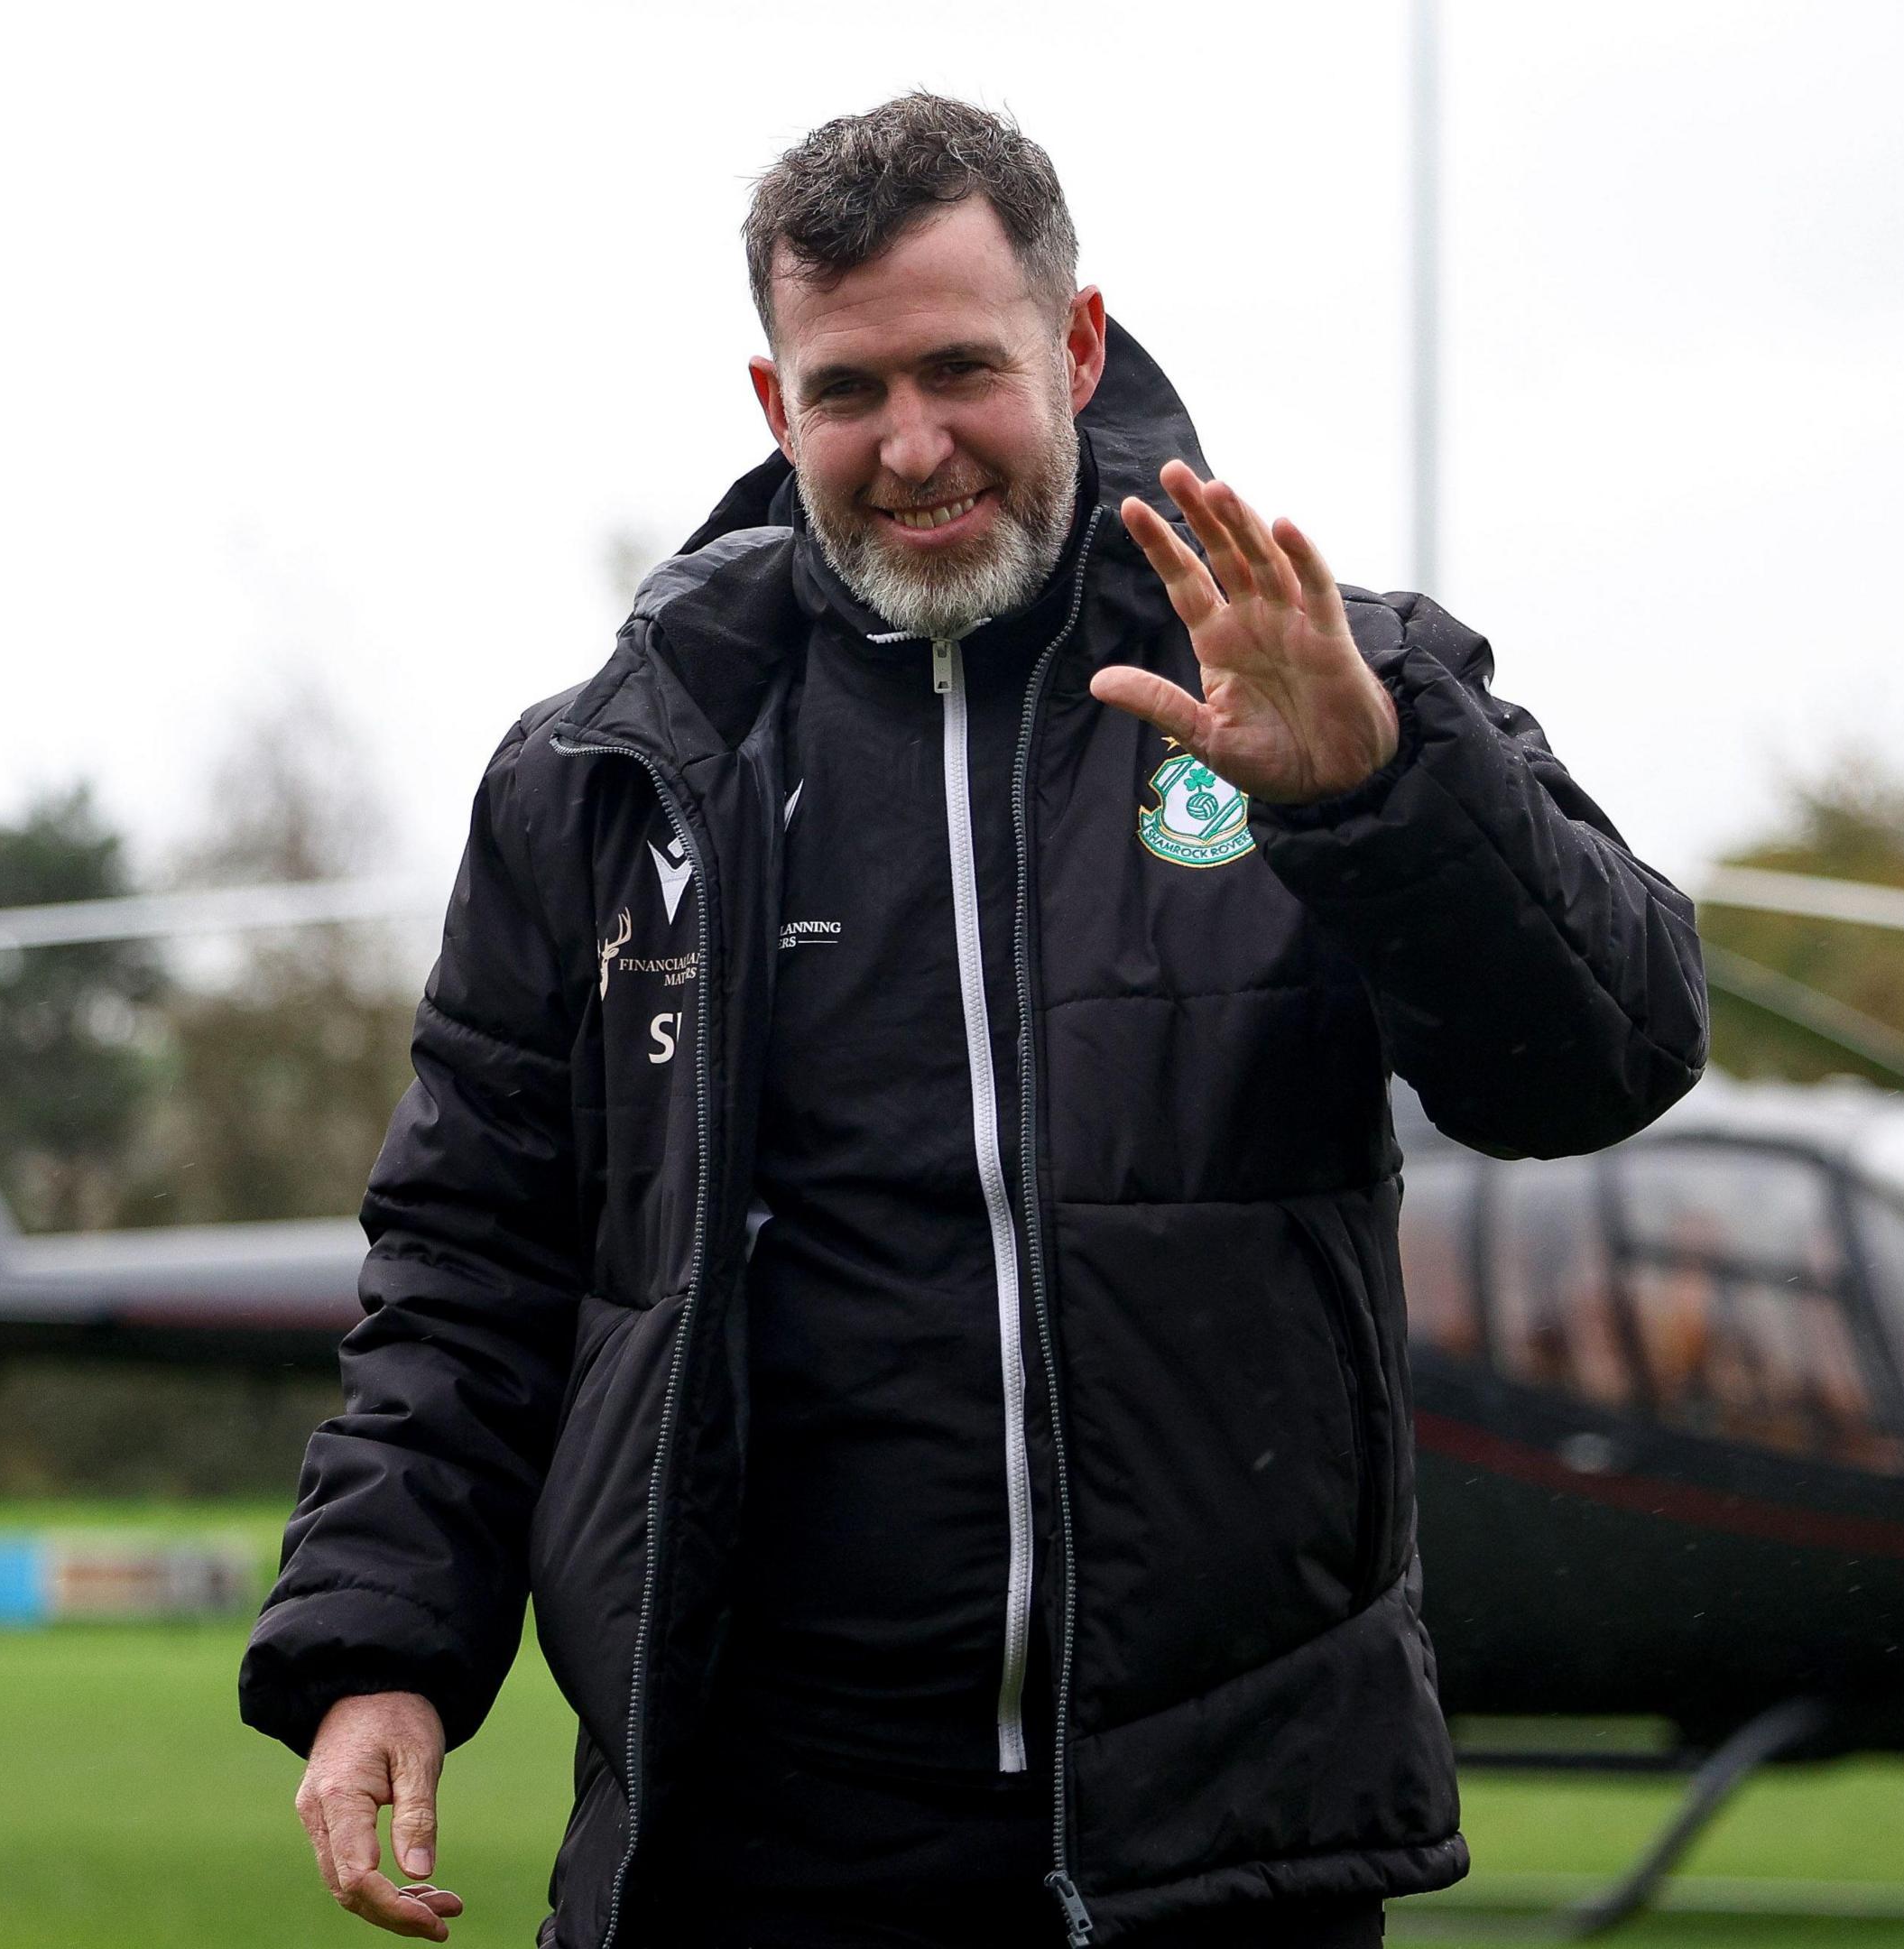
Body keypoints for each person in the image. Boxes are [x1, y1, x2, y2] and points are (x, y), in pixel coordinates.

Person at [237, 93, 1708, 1948]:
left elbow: (1601, 1065)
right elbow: (469, 1260)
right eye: (848, 390)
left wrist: (1382, 798)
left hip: (1221, 1844)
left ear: (1075, 347)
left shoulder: (1329, 674)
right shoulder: (612, 771)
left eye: (962, 370)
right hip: (746, 1847)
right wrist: (379, 1644)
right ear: (774, 406)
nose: (913, 446)